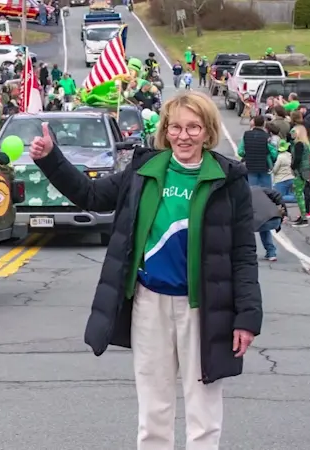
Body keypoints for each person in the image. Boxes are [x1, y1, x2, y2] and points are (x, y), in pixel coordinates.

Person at [28, 91, 262, 450]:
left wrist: (246, 317)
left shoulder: (229, 181)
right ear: (165, 130)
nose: (183, 136)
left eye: (193, 127)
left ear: (208, 131)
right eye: (176, 127)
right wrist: (51, 159)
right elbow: (91, 196)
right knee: (154, 408)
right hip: (149, 303)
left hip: (204, 307)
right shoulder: (143, 171)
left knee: (203, 411)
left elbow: (244, 253)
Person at [237, 115, 276, 188]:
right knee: (267, 191)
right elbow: (274, 153)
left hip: (250, 166)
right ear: (264, 124)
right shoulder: (267, 137)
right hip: (264, 166)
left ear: (254, 123)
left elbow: (240, 151)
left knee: (252, 190)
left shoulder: (246, 135)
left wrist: (247, 154)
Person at [290, 124, 310, 227]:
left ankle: (304, 217)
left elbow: (297, 159)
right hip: (306, 171)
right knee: (301, 193)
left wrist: (292, 167)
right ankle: (302, 215)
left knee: (299, 194)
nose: (291, 134)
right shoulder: (306, 143)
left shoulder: (299, 144)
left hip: (300, 171)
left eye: (293, 132)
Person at [252, 186, 286, 261]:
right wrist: (284, 214)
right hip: (275, 219)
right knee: (264, 226)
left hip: (259, 221)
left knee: (244, 230)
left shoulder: (240, 194)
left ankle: (249, 253)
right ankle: (271, 253)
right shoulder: (259, 189)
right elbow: (277, 195)